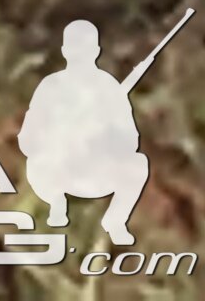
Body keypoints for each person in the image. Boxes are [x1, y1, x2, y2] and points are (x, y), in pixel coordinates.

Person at [23, 18, 159, 247]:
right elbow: (28, 138)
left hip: (95, 170)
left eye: (86, 48)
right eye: (76, 47)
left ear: (96, 50)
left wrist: (102, 135)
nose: (80, 54)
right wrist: (57, 138)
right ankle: (57, 204)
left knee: (137, 164)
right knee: (40, 164)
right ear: (65, 50)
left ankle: (116, 220)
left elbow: (130, 140)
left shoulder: (109, 87)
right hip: (57, 170)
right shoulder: (51, 86)